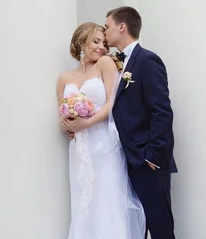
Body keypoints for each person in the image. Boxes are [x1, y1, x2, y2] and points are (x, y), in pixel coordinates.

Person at [57, 22, 145, 239]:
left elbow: (112, 103)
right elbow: (62, 113)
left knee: (107, 199)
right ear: (81, 42)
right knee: (83, 201)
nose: (102, 48)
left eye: (104, 43)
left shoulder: (105, 63)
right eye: (96, 41)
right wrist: (67, 124)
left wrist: (86, 123)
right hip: (79, 147)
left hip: (104, 144)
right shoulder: (64, 79)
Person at [105, 6, 177, 239]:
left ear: (122, 26)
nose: (105, 32)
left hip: (147, 160)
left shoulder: (147, 60)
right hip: (124, 159)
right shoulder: (114, 65)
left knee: (160, 227)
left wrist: (153, 156)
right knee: (136, 226)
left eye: (107, 27)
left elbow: (162, 111)